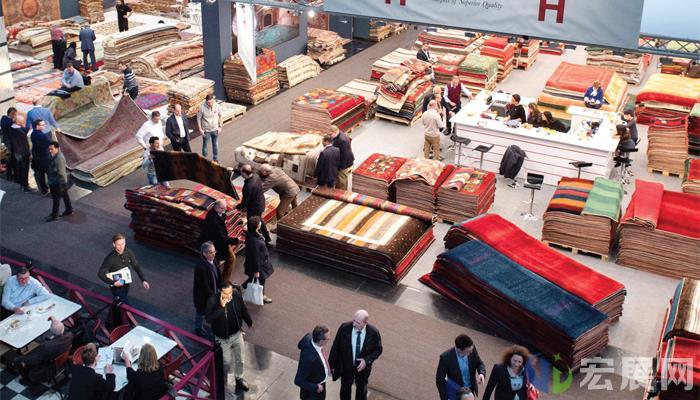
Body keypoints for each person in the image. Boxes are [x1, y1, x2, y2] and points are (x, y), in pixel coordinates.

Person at [1, 317, 73, 395]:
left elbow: (34, 361)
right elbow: (60, 329)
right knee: (34, 353)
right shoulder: (70, 336)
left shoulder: (46, 346)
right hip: (60, 361)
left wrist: (23, 360)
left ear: (51, 331)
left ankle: (28, 380)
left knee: (17, 360)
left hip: (46, 369)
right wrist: (55, 321)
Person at [205, 282, 253, 393]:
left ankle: (239, 378)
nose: (228, 296)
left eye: (230, 293)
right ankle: (223, 382)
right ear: (220, 292)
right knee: (225, 362)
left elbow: (243, 308)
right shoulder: (212, 300)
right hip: (222, 339)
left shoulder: (235, 294)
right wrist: (221, 307)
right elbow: (209, 319)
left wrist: (249, 321)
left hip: (237, 334)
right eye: (225, 294)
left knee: (240, 358)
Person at [329, 310, 383, 400]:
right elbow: (336, 346)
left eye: (358, 323)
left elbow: (378, 349)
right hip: (346, 366)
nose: (354, 324)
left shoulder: (373, 332)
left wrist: (366, 360)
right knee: (345, 389)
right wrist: (331, 365)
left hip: (363, 369)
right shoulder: (344, 328)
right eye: (354, 320)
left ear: (365, 322)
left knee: (361, 391)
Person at [98, 233, 150, 305]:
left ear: (125, 243)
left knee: (119, 304)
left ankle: (114, 311)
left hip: (126, 284)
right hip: (116, 288)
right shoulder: (109, 259)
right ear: (114, 244)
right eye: (118, 244)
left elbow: (136, 266)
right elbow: (100, 274)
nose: (121, 247)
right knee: (126, 306)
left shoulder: (129, 253)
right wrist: (113, 283)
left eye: (122, 244)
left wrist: (143, 280)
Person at [436, 334, 486, 400]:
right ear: (459, 350)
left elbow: (479, 363)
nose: (471, 352)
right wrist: (445, 398)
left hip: (470, 391)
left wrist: (481, 373)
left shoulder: (471, 348)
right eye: (468, 351)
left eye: (472, 349)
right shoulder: (445, 358)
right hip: (457, 393)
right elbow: (440, 380)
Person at [237, 164, 272, 243]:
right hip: (261, 202)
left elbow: (245, 202)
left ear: (244, 173)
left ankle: (252, 239)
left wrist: (237, 207)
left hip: (254, 207)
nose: (240, 173)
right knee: (259, 219)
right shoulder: (256, 176)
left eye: (241, 172)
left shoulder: (248, 186)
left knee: (252, 223)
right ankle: (267, 237)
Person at [242, 216, 273, 304]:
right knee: (259, 279)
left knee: (255, 279)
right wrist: (257, 270)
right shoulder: (254, 241)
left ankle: (241, 288)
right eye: (259, 223)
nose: (260, 223)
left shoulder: (254, 234)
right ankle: (262, 296)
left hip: (259, 264)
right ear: (256, 226)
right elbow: (255, 257)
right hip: (258, 265)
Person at [295, 325, 332, 400]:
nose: (329, 339)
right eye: (328, 339)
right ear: (321, 341)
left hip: (321, 383)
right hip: (312, 394)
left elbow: (300, 344)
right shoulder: (308, 358)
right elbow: (298, 380)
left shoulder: (309, 338)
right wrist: (316, 387)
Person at [193, 241, 221, 336]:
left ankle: (212, 328)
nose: (214, 254)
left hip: (213, 292)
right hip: (203, 296)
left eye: (214, 251)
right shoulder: (201, 267)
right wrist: (214, 296)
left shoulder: (213, 260)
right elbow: (204, 285)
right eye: (211, 252)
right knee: (200, 312)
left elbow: (218, 274)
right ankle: (198, 329)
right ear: (204, 254)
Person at [200, 199, 239, 263]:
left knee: (231, 258)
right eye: (223, 208)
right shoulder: (214, 220)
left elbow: (222, 216)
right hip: (215, 244)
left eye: (225, 207)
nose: (225, 209)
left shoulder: (215, 212)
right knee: (229, 259)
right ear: (217, 207)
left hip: (216, 242)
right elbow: (221, 238)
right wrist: (236, 240)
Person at [45, 141, 72, 221]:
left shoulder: (59, 158)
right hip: (61, 182)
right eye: (49, 149)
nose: (50, 151)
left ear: (57, 148)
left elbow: (60, 173)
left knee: (56, 199)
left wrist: (53, 182)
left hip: (58, 182)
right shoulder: (55, 156)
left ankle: (55, 215)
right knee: (65, 196)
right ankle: (69, 210)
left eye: (52, 149)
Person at [29, 120, 55, 196]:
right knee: (50, 175)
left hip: (37, 159)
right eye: (43, 125)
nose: (44, 126)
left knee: (41, 176)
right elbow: (50, 144)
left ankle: (44, 190)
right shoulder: (43, 136)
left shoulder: (33, 134)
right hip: (45, 159)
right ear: (37, 126)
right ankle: (53, 191)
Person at [7, 114, 32, 192]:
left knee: (20, 169)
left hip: (17, 152)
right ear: (18, 122)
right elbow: (24, 133)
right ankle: (25, 187)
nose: (23, 122)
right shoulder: (19, 131)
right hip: (23, 152)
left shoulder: (11, 128)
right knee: (25, 170)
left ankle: (22, 184)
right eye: (22, 121)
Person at [197, 94, 223, 162]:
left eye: (211, 102)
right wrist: (200, 129)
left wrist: (220, 126)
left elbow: (221, 116)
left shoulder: (217, 105)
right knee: (205, 145)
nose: (210, 104)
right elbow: (198, 119)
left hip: (215, 129)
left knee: (215, 144)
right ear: (206, 101)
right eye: (209, 102)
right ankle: (204, 160)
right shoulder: (201, 108)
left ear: (213, 100)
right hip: (206, 131)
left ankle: (215, 158)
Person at [1, 107, 17, 182]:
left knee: (10, 160)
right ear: (11, 114)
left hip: (7, 142)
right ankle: (10, 176)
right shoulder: (8, 121)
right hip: (9, 143)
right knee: (10, 160)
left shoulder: (4, 119)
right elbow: (10, 124)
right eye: (14, 114)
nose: (15, 116)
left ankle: (10, 175)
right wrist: (14, 121)